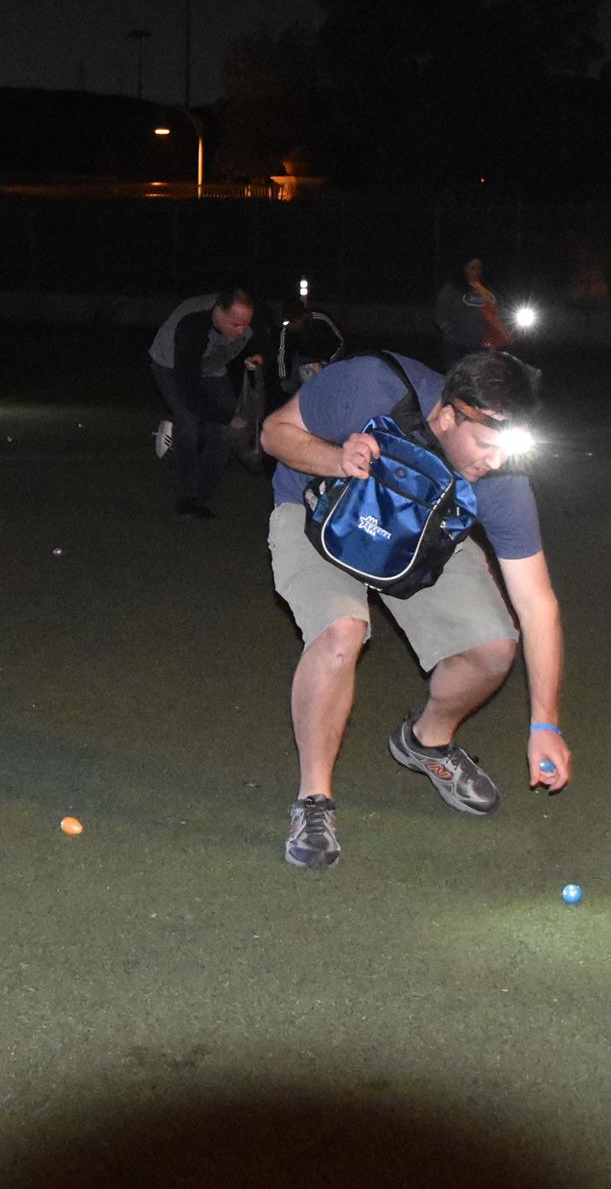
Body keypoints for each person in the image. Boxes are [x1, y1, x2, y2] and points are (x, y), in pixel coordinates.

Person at [259, 348, 568, 871]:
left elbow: (538, 604)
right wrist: (337, 459)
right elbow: (273, 434)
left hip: (421, 531)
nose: (493, 463)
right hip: (319, 508)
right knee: (342, 632)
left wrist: (546, 723)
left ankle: (428, 742)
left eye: (505, 451)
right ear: (448, 415)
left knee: (493, 647)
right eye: (486, 445)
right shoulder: (370, 384)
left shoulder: (501, 479)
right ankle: (314, 799)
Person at [147, 286, 259, 519]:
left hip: (210, 367)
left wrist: (259, 357)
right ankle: (188, 497)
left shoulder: (244, 324)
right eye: (235, 325)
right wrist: (229, 417)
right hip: (171, 366)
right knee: (188, 421)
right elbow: (190, 391)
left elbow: (264, 342)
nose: (241, 331)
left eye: (245, 324)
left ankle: (201, 495)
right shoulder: (191, 325)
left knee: (225, 432)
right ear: (218, 311)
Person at [433, 257, 512, 370]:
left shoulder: (487, 289)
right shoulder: (452, 288)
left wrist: (496, 338)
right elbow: (440, 312)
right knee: (457, 379)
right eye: (472, 268)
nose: (476, 272)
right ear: (464, 269)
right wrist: (448, 329)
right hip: (456, 345)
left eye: (479, 268)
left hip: (482, 345)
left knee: (477, 379)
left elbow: (499, 314)